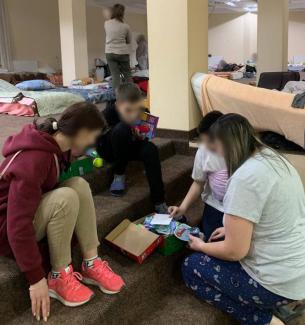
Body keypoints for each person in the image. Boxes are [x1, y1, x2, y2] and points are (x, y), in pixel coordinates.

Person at [0, 103, 125, 322]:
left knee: (78, 184)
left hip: (26, 212)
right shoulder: (34, 159)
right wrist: (35, 278)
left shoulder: (60, 147)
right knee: (65, 198)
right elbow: (17, 226)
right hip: (6, 229)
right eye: (92, 137)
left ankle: (90, 262)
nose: (91, 144)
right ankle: (57, 277)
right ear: (83, 132)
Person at [182, 114, 305, 325]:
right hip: (297, 272)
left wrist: (201, 246)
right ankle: (279, 304)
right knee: (218, 242)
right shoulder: (273, 158)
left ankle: (265, 319)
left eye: (216, 148)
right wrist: (230, 232)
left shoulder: (244, 178)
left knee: (191, 267)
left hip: (276, 282)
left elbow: (235, 251)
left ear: (227, 145)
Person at [96, 83, 167, 214]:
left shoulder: (143, 113)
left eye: (137, 109)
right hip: (110, 150)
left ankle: (159, 201)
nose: (134, 115)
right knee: (121, 129)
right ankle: (119, 174)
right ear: (118, 104)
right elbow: (96, 137)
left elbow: (146, 136)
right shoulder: (108, 113)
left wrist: (142, 137)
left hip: (128, 147)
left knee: (151, 149)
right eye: (129, 110)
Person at [169, 111, 227, 241]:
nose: (207, 147)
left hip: (238, 210)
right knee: (211, 239)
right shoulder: (203, 151)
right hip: (215, 207)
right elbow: (198, 182)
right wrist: (182, 208)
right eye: (204, 142)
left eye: (210, 143)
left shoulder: (242, 155)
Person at [105, 3, 132, 91]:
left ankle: (116, 97)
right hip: (122, 53)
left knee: (115, 75)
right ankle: (131, 95)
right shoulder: (126, 26)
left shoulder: (106, 23)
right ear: (122, 13)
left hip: (110, 52)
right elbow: (129, 41)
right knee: (127, 74)